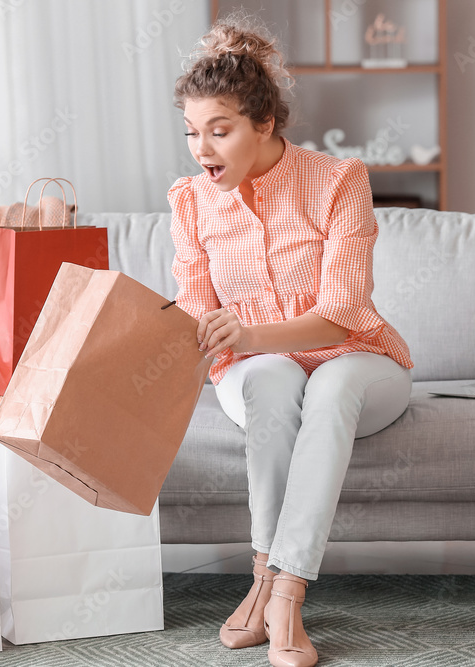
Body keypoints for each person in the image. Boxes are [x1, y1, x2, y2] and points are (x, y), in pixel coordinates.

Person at [169, 16, 413, 667]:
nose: (202, 148)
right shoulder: (190, 203)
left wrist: (248, 330)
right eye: (192, 132)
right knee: (273, 381)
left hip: (359, 356)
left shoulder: (339, 182)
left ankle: (285, 594)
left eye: (219, 130)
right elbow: (196, 313)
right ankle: (264, 575)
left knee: (329, 387)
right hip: (252, 367)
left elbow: (340, 315)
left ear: (265, 124)